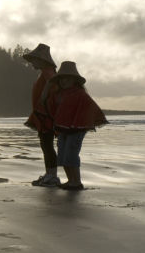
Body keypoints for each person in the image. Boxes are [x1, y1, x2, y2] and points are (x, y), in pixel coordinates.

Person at [44, 61, 108, 190]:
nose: (64, 81)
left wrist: (85, 122)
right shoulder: (58, 94)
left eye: (67, 78)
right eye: (61, 78)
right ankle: (70, 180)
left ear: (74, 80)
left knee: (71, 155)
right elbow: (50, 107)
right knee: (62, 155)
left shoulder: (80, 94)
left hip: (77, 130)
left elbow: (91, 108)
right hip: (63, 129)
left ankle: (76, 181)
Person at [23, 44, 61, 187]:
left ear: (41, 60)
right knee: (46, 145)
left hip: (46, 116)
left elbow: (53, 81)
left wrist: (44, 93)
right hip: (43, 115)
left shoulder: (47, 71)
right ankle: (49, 174)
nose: (32, 63)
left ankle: (52, 176)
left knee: (47, 145)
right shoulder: (45, 71)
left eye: (34, 60)